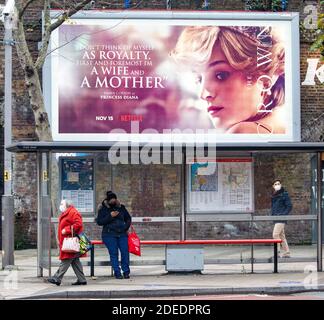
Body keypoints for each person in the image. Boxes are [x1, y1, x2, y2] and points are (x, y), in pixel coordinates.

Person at [172, 26, 285, 134]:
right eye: (199, 79)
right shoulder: (282, 126)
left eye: (221, 75)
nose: (203, 94)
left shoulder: (242, 133)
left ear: (264, 80)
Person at [47, 199, 87, 286]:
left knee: (66, 259)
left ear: (67, 205)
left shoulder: (73, 212)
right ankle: (82, 279)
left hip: (71, 242)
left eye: (62, 204)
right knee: (75, 261)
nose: (60, 205)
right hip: (70, 242)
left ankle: (57, 278)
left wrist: (67, 230)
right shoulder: (68, 212)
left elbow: (78, 224)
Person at [96, 191, 132, 279]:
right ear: (108, 200)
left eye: (114, 199)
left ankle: (126, 272)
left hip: (122, 233)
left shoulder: (121, 207)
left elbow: (128, 218)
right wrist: (110, 216)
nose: (113, 201)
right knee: (114, 253)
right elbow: (99, 222)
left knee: (125, 252)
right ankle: (117, 272)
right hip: (109, 234)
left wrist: (125, 228)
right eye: (111, 199)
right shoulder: (103, 209)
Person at [271, 179, 292, 258]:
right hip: (276, 218)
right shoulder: (274, 195)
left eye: (278, 183)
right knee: (281, 236)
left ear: (281, 185)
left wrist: (283, 214)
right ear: (273, 186)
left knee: (275, 234)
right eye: (275, 184)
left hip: (281, 218)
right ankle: (287, 252)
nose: (277, 185)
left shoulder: (284, 194)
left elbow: (289, 206)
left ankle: (277, 253)